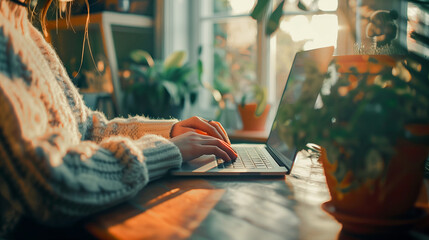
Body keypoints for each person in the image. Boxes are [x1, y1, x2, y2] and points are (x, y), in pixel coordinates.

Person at [0, 0, 237, 236]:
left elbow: (88, 130)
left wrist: (171, 131)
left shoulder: (26, 32)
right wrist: (165, 149)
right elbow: (49, 184)